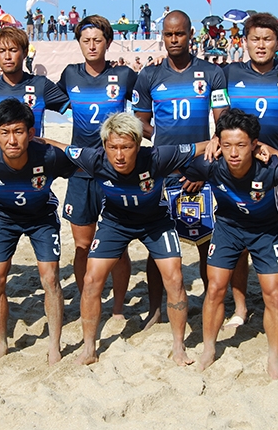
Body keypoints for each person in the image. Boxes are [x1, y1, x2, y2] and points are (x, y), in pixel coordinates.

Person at [46, 112, 209, 365]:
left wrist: (219, 141)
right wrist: (29, 139)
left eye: (126, 147)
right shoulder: (94, 158)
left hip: (155, 221)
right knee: (91, 280)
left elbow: (203, 146)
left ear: (138, 144)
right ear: (104, 146)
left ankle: (179, 347)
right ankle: (89, 350)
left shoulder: (158, 156)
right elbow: (60, 146)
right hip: (115, 223)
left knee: (175, 278)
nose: (119, 155)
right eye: (113, 147)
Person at [0, 99, 75, 365]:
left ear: (31, 133)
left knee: (50, 278)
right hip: (3, 218)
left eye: (19, 132)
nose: (12, 140)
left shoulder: (48, 156)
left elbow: (80, 157)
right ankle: (1, 345)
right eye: (5, 133)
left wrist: (48, 141)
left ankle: (54, 346)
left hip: (41, 216)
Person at [186, 109, 278, 379]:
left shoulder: (271, 166)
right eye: (227, 145)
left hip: (265, 231)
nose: (234, 153)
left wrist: (275, 153)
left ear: (254, 144)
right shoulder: (210, 164)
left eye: (241, 145)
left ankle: (273, 358)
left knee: (273, 294)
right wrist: (206, 146)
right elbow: (164, 160)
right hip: (228, 228)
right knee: (215, 288)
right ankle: (209, 349)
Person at [133, 10, 230, 327]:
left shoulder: (212, 73)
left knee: (206, 244)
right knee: (158, 246)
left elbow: (222, 124)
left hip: (201, 171)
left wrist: (201, 167)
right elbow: (140, 122)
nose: (174, 39)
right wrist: (161, 141)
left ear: (190, 35)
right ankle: (155, 309)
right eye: (168, 34)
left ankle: (210, 308)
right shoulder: (148, 75)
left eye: (179, 34)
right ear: (163, 36)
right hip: (162, 173)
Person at [221, 13, 278, 328]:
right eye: (255, 39)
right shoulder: (229, 73)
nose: (261, 45)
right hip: (238, 170)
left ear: (277, 42)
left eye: (268, 39)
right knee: (239, 246)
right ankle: (240, 308)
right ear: (245, 42)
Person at [57, 15, 138, 317]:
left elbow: (148, 101)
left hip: (115, 170)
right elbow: (37, 97)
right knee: (82, 245)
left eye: (97, 40)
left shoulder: (124, 75)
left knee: (118, 244)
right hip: (80, 172)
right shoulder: (70, 75)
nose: (92, 46)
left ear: (108, 42)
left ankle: (117, 307)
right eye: (86, 40)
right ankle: (87, 302)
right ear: (79, 43)